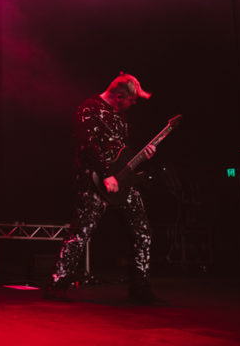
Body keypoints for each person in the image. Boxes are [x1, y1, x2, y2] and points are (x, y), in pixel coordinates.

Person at [44, 73, 160, 304]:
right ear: (119, 96)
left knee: (142, 231)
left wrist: (143, 156)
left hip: (123, 181)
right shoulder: (89, 109)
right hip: (94, 182)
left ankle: (141, 288)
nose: (133, 104)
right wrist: (106, 175)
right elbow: (87, 145)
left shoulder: (120, 116)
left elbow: (120, 152)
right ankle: (57, 284)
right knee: (80, 234)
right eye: (131, 100)